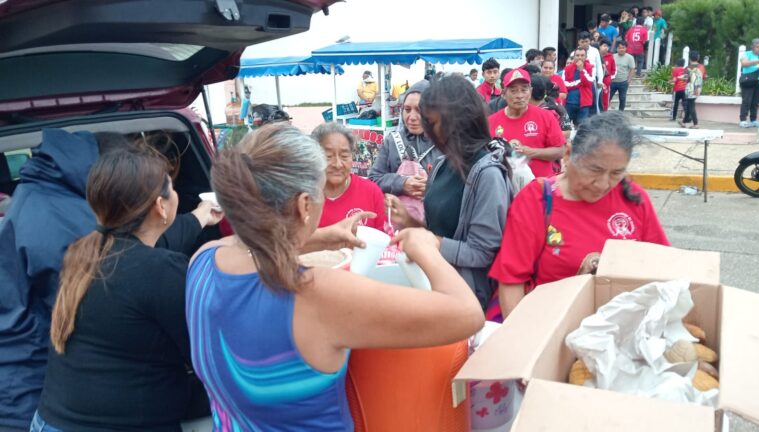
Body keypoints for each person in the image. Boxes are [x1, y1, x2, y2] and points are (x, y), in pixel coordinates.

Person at [186, 124, 485, 431]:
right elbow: (467, 314)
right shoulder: (315, 294)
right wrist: (426, 246)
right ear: (304, 205)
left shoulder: (203, 260)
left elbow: (252, 244)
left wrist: (319, 237)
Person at [0, 130, 221, 431]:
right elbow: (206, 356)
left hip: (51, 419)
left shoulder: (83, 250)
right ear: (160, 206)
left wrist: (199, 217)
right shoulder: (160, 269)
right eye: (171, 188)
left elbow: (144, 253)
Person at [488, 112, 670, 318]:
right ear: (568, 154)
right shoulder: (537, 200)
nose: (603, 184)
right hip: (547, 324)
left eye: (616, 173)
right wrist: (522, 338)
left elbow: (660, 267)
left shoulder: (635, 199)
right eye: (594, 170)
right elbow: (512, 281)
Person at [387, 75, 512, 310]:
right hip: (433, 280)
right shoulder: (443, 164)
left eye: (434, 124)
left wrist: (431, 241)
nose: (429, 132)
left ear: (459, 121)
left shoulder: (487, 175)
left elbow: (482, 251)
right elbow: (439, 231)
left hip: (464, 295)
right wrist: (410, 221)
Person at [369, 80, 441, 201]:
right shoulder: (392, 141)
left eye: (419, 110)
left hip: (434, 219)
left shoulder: (446, 144)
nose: (412, 117)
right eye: (407, 110)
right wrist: (402, 183)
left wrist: (431, 186)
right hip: (398, 217)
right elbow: (374, 178)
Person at [488, 68, 566, 178]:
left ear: (530, 91)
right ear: (504, 94)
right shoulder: (491, 122)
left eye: (524, 90)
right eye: (513, 91)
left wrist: (530, 152)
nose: (519, 95)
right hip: (506, 189)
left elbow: (560, 151)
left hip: (540, 189)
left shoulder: (546, 116)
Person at [311, 122, 386, 231]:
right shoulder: (304, 196)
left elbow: (384, 239)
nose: (337, 164)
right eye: (328, 156)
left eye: (344, 156)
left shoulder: (372, 192)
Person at [739, 38, 759, 128]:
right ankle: (743, 120)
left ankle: (753, 120)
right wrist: (757, 62)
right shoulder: (747, 54)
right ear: (753, 47)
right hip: (749, 80)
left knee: (755, 101)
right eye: (757, 47)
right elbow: (744, 63)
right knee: (746, 100)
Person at [564, 47, 595, 126]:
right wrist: (579, 82)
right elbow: (565, 85)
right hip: (569, 103)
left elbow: (589, 82)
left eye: (582, 55)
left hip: (584, 104)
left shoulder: (591, 67)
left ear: (586, 57)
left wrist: (582, 70)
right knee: (565, 126)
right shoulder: (567, 68)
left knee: (581, 128)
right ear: (574, 57)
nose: (580, 57)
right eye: (577, 55)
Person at [577, 31, 603, 115]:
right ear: (578, 42)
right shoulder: (575, 52)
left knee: (593, 102)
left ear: (590, 41)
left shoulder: (595, 51)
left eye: (586, 41)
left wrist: (600, 80)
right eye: (582, 42)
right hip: (578, 80)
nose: (584, 44)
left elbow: (599, 66)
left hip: (592, 80)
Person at [679, 52, 703, 129]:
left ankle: (695, 123)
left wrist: (679, 78)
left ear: (689, 59)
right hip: (696, 88)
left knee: (691, 106)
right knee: (690, 105)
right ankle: (683, 122)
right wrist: (698, 88)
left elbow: (685, 77)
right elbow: (701, 78)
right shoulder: (701, 67)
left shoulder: (687, 68)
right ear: (698, 58)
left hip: (689, 88)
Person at [610, 40, 636, 112]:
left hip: (623, 82)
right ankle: (604, 112)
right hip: (613, 81)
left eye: (623, 48)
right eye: (619, 48)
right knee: (608, 98)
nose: (621, 49)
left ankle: (621, 113)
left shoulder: (630, 57)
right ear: (617, 48)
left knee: (622, 98)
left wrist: (629, 80)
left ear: (626, 48)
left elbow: (632, 69)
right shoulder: (612, 56)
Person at [600, 39, 617, 111]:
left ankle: (604, 113)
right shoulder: (596, 55)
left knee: (605, 99)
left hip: (606, 82)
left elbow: (614, 70)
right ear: (600, 46)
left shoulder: (610, 57)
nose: (606, 48)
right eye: (604, 46)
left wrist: (609, 78)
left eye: (607, 46)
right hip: (596, 81)